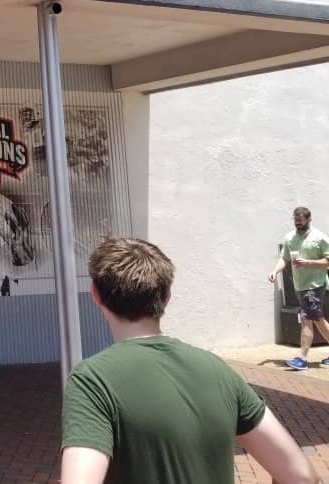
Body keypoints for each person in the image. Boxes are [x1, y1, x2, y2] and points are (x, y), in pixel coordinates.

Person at [61, 237, 315, 484]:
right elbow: (300, 476)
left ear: (95, 295)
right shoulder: (217, 370)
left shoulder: (92, 381)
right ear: (167, 297)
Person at [268, 206, 329, 369]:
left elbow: (328, 260)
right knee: (317, 319)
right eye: (296, 221)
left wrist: (308, 263)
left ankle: (302, 359)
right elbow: (284, 258)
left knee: (306, 318)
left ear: (309, 219)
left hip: (315, 285)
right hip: (300, 285)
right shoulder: (290, 237)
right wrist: (275, 271)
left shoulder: (319, 238)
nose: (298, 224)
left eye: (301, 221)